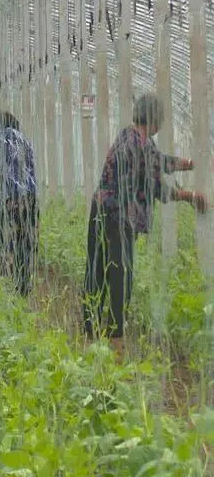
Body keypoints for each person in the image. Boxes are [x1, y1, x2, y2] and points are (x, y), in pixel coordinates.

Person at [82, 93, 209, 354]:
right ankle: (114, 341)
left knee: (98, 271)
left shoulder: (133, 137)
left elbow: (157, 161)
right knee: (120, 277)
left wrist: (191, 164)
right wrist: (191, 197)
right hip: (116, 217)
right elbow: (157, 187)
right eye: (160, 117)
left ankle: (90, 332)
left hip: (102, 211)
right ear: (154, 118)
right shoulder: (137, 144)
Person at [0, 111, 38, 296]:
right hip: (30, 199)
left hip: (8, 200)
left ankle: (5, 284)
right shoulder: (25, 140)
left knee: (5, 240)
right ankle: (24, 285)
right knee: (26, 241)